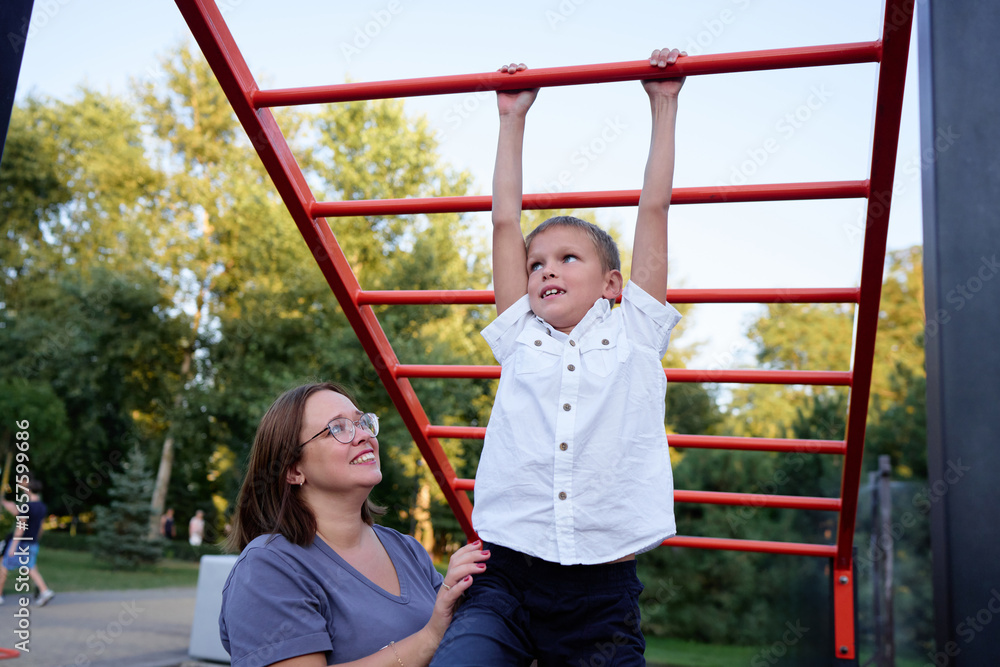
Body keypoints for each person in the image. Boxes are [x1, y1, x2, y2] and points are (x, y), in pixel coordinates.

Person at [431, 48, 687, 666]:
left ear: (612, 283)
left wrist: (663, 102)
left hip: (601, 592)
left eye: (568, 258)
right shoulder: (521, 333)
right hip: (506, 577)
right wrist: (512, 119)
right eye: (537, 263)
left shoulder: (637, 333)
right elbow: (503, 223)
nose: (546, 269)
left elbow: (653, 209)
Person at [220, 382, 490, 667]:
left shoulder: (407, 549)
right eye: (337, 428)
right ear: (293, 469)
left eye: (362, 422)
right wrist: (430, 637)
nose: (362, 435)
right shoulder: (268, 565)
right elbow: (436, 634)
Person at [0, 479, 56, 607]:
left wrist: (13, 546)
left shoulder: (27, 506)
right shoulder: (42, 506)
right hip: (33, 542)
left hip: (22, 543)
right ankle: (44, 591)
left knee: (3, 567)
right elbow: (41, 526)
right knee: (30, 567)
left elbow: (21, 526)